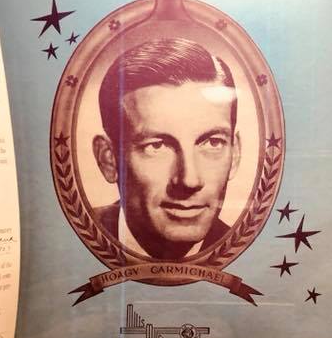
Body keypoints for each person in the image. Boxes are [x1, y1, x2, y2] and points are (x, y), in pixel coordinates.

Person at [91, 37, 241, 260]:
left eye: (213, 142)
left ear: (235, 154)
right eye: (157, 146)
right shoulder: (67, 240)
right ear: (109, 159)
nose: (189, 180)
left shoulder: (254, 251)